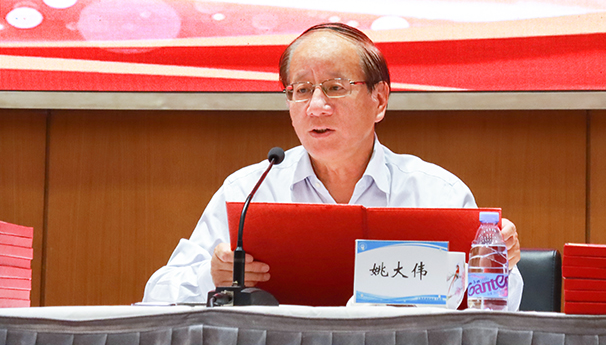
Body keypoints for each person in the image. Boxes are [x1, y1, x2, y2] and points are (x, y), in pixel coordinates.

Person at [143, 23, 523, 310]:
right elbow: (156, 295)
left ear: (379, 99)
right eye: (301, 90)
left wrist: (495, 263)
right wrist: (210, 276)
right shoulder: (249, 191)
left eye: (335, 87)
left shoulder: (436, 193)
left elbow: (505, 305)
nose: (316, 107)